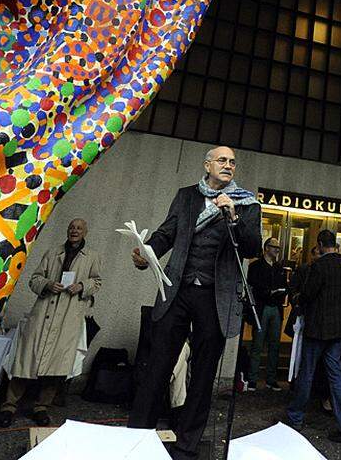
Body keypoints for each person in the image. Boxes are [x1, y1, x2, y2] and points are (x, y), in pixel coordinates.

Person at [128, 147, 262, 460]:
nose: (228, 165)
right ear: (207, 165)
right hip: (177, 290)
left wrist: (233, 215)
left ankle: (185, 446)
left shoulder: (245, 202)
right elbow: (167, 232)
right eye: (222, 160)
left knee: (202, 375)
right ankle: (136, 440)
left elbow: (252, 246)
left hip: (216, 295)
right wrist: (146, 253)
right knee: (157, 366)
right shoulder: (186, 196)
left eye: (232, 162)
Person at [0, 218, 103, 427]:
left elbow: (97, 281)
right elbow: (34, 279)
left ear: (85, 232)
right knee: (25, 361)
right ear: (67, 230)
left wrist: (81, 285)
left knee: (56, 365)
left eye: (79, 228)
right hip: (44, 312)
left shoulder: (92, 257)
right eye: (72, 227)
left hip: (68, 316)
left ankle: (41, 407)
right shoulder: (53, 252)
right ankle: (9, 406)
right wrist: (47, 284)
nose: (75, 231)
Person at [286, 230, 341, 444]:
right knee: (336, 375)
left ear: (319, 244)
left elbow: (309, 294)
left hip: (318, 328)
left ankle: (296, 416)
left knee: (307, 371)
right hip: (337, 330)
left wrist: (299, 297)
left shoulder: (319, 266)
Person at [245, 237, 286, 391]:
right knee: (258, 344)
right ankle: (252, 379)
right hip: (262, 307)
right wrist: (268, 292)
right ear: (266, 248)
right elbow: (253, 284)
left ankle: (270, 379)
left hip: (275, 307)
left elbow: (285, 286)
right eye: (274, 247)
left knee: (275, 345)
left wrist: (279, 292)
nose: (277, 250)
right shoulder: (256, 266)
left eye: (278, 247)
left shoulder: (279, 267)